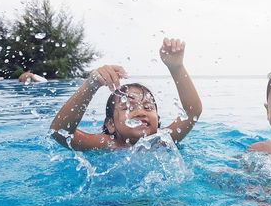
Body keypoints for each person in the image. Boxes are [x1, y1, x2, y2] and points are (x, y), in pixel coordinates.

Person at [50, 38, 202, 151]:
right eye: (128, 107)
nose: (140, 112)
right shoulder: (107, 145)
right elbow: (60, 133)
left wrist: (176, 67)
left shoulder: (162, 141)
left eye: (148, 107)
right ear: (110, 125)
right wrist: (91, 85)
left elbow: (192, 112)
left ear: (158, 120)